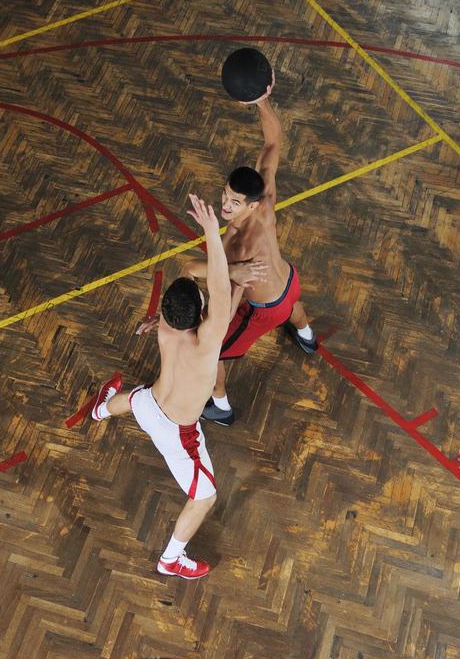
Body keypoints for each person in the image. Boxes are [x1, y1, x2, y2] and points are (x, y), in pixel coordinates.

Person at [90, 195, 231, 580]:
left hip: (149, 404)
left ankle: (99, 409)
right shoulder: (206, 344)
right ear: (200, 313)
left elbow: (190, 280)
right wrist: (211, 232)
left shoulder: (166, 323)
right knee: (205, 497)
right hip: (179, 436)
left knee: (132, 400)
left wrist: (208, 238)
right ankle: (171, 558)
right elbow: (219, 288)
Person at [181, 76, 318, 426]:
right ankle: (306, 335)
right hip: (289, 283)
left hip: (266, 309)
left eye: (234, 202)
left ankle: (220, 405)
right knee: (294, 307)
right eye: (226, 195)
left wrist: (222, 272)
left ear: (251, 204)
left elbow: (221, 308)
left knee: (215, 352)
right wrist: (260, 100)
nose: (225, 206)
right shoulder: (266, 199)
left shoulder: (234, 245)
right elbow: (273, 142)